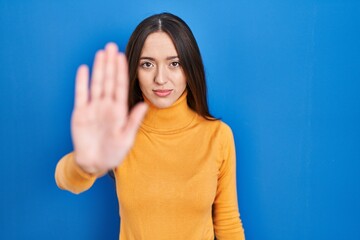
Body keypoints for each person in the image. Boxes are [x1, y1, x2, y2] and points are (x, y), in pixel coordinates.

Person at [55, 12, 245, 240]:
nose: (160, 78)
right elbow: (65, 179)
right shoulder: (121, 135)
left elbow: (228, 222)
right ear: (134, 71)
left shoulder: (218, 135)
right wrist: (84, 165)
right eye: (147, 64)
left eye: (174, 63)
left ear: (189, 67)